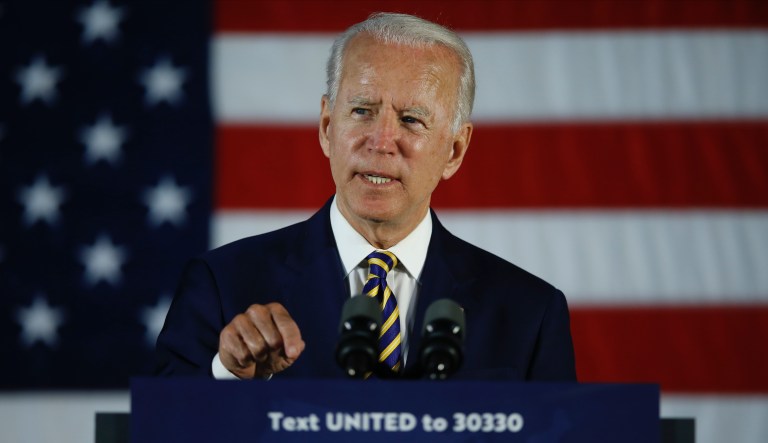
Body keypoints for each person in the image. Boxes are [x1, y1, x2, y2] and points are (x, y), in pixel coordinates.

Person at [155, 12, 576, 381]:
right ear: (326, 126)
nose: (381, 141)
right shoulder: (222, 285)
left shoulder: (529, 313)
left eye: (411, 120)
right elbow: (161, 429)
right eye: (361, 111)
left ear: (454, 151)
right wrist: (228, 377)